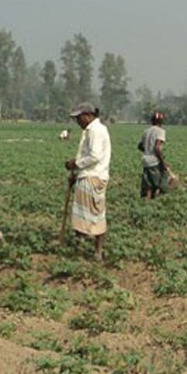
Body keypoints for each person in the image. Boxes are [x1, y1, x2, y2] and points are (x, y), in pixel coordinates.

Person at [65, 102, 111, 260]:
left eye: (79, 118)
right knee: (82, 216)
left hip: (93, 177)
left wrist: (75, 164)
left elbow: (94, 156)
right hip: (88, 175)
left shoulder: (96, 131)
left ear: (88, 116)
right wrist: (76, 174)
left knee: (94, 215)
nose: (77, 122)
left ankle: (94, 251)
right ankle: (82, 249)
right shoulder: (91, 130)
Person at [137, 110, 169, 199]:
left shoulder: (146, 131)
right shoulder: (160, 131)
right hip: (154, 160)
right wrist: (163, 162)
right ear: (161, 121)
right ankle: (157, 198)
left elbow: (140, 146)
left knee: (148, 184)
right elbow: (157, 147)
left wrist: (147, 150)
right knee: (159, 181)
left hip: (145, 160)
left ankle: (147, 200)